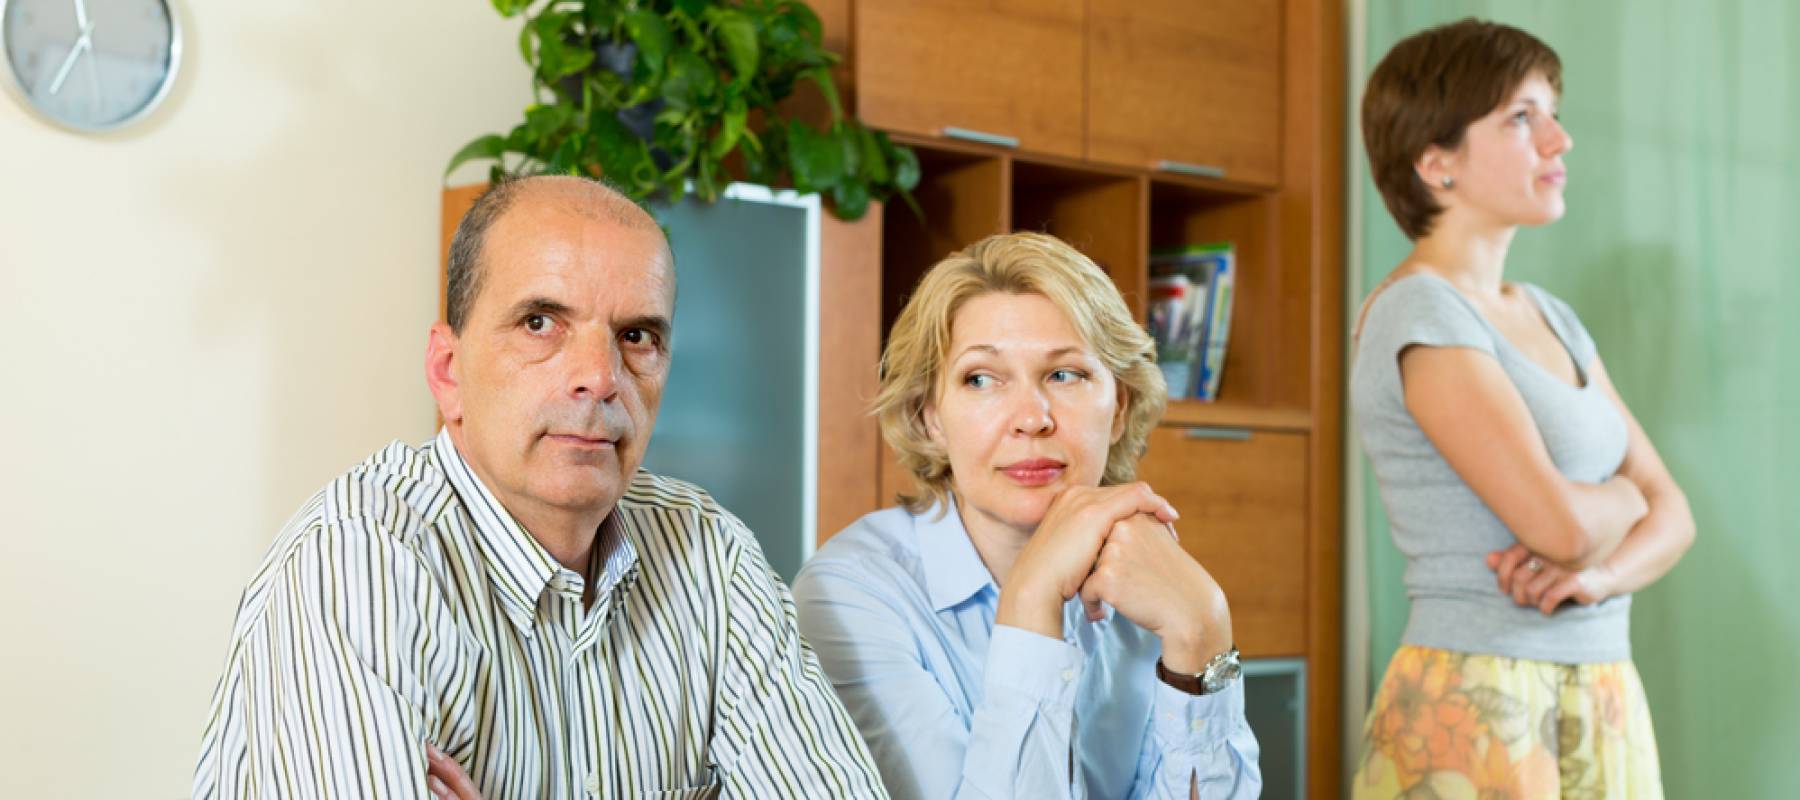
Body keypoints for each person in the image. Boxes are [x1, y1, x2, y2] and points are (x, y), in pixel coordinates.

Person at [193, 176, 887, 798]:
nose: (600, 376)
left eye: (636, 335)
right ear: (447, 370)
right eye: (540, 323)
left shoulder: (712, 557)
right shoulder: (355, 564)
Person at [1351, 19, 1695, 797]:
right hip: (1481, 697)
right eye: (1521, 117)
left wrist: (1602, 578)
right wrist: (1625, 496)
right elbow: (1563, 530)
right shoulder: (1421, 314)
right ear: (1436, 162)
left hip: (1603, 682)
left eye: (1552, 112)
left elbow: (1676, 515)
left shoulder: (1550, 314)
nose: (1559, 140)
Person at [792, 232, 1261, 799]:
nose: (1031, 419)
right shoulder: (849, 596)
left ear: (1120, 409)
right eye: (981, 379)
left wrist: (1202, 631)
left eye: (1065, 374)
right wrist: (1031, 598)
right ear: (931, 417)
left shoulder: (1146, 571)